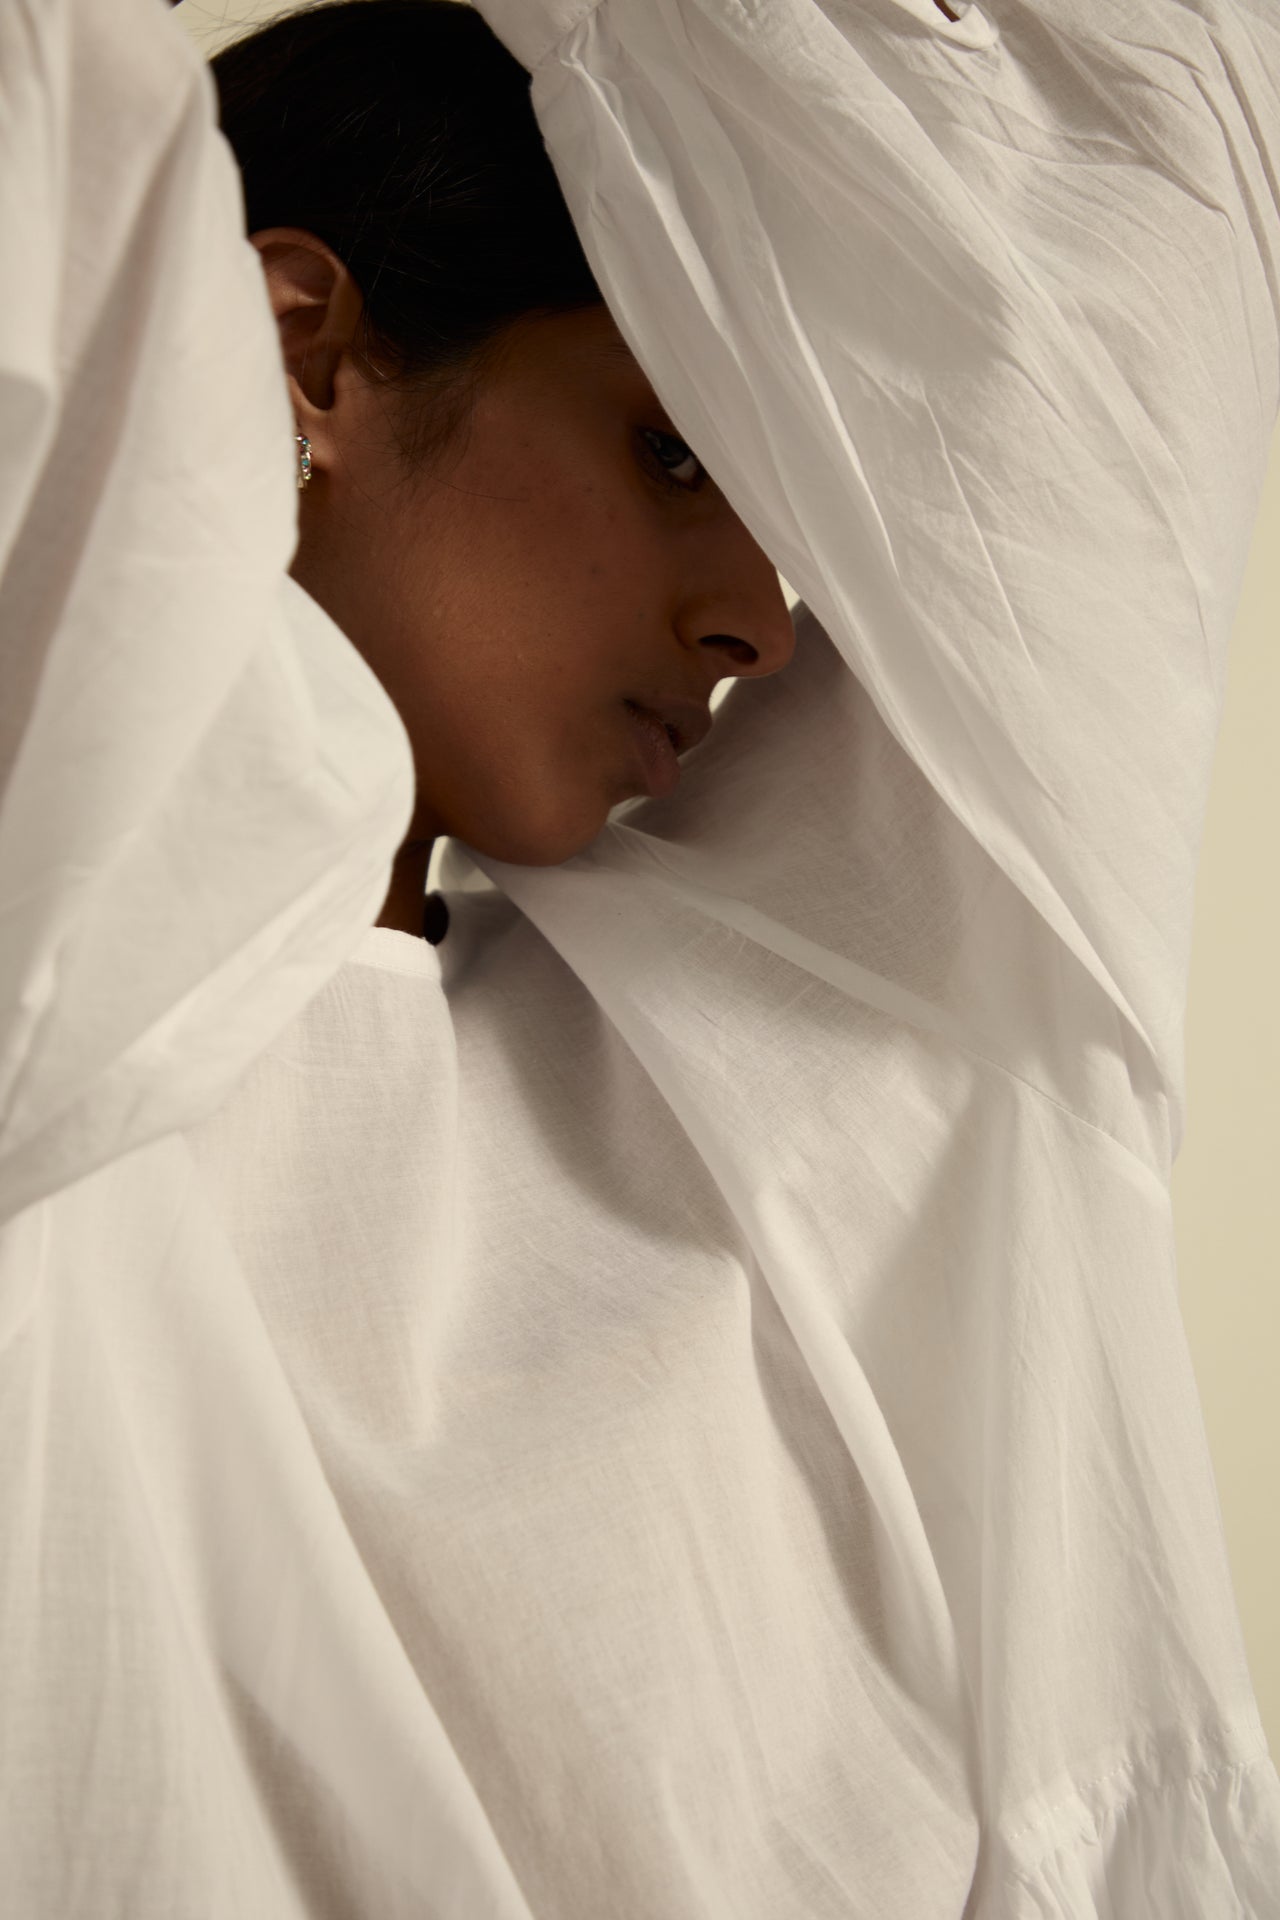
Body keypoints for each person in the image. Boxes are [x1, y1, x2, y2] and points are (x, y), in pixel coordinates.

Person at [1, 0, 1278, 1914]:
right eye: (673, 453)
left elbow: (1142, 184)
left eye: (781, 528)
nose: (764, 623)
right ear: (301, 343)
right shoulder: (66, 971)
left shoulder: (787, 1064)